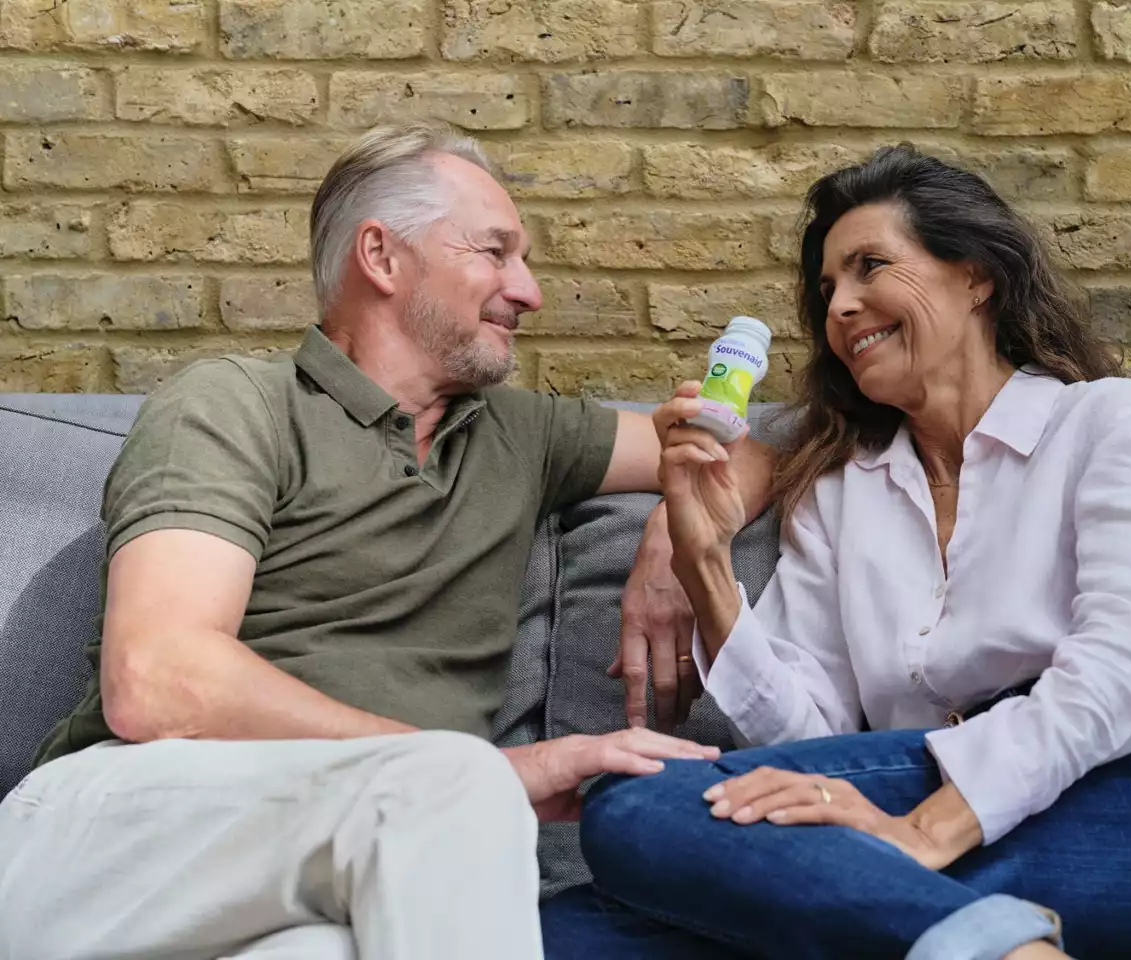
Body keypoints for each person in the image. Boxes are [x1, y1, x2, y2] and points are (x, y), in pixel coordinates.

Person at [0, 121, 776, 960]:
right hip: (122, 830)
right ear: (381, 255)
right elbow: (158, 681)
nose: (530, 291)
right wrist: (488, 775)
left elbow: (754, 457)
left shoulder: (521, 434)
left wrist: (676, 535)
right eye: (494, 252)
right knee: (455, 783)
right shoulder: (236, 404)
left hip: (361, 861)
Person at [561, 145, 1131, 960]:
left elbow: (1130, 673)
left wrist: (919, 830)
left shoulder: (1106, 423)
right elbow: (806, 740)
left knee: (637, 808)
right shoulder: (844, 487)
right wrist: (703, 564)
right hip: (909, 808)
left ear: (975, 275)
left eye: (869, 266)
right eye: (827, 290)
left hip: (1125, 798)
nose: (842, 306)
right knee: (546, 934)